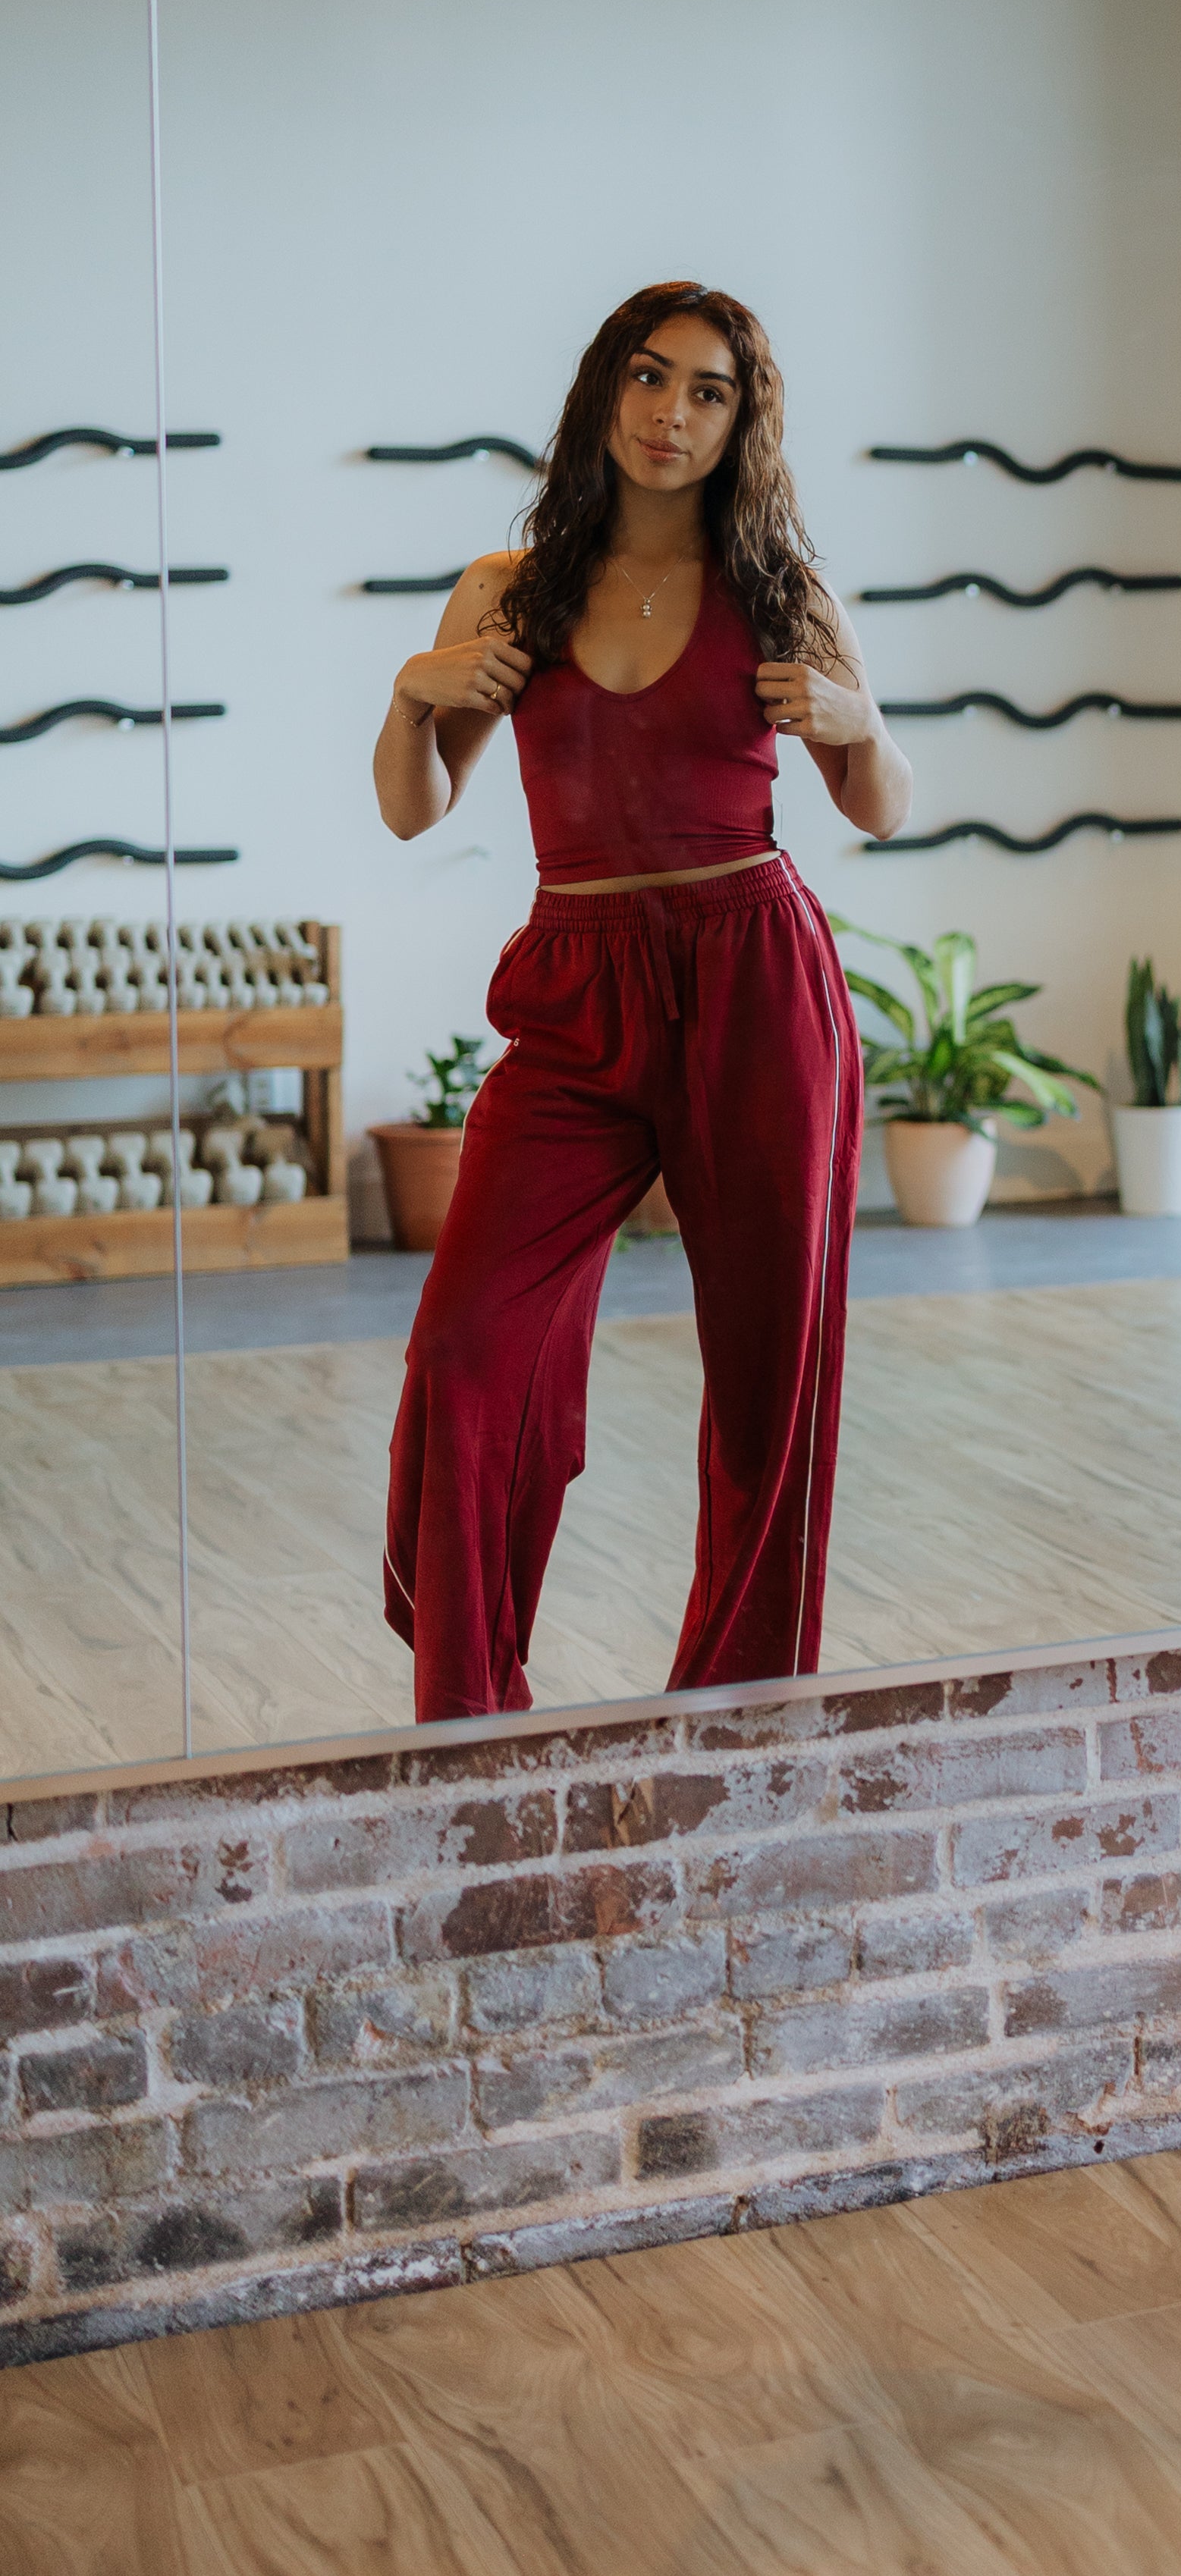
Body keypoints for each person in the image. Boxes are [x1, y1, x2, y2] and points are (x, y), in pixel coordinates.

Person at [369, 280, 912, 1723]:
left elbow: (882, 806)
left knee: (764, 1370)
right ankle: (471, 1701)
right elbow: (410, 812)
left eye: (710, 391)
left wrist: (865, 724)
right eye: (650, 379)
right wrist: (413, 696)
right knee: (471, 1336)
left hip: (753, 978)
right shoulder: (511, 589)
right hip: (577, 986)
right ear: (605, 391)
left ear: (744, 419)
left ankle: (734, 1705)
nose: (673, 415)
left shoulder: (783, 591)